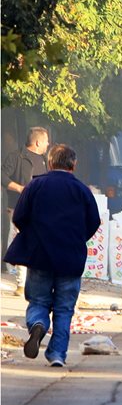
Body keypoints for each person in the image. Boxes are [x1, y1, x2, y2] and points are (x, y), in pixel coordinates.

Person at [3, 144, 100, 367]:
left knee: (38, 300)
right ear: (73, 165)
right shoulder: (82, 190)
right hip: (70, 258)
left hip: (39, 256)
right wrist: (76, 238)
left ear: (49, 163)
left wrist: (34, 235)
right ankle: (57, 355)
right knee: (64, 308)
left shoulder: (35, 185)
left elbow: (19, 216)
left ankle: (37, 324)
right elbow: (93, 221)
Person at [2, 126, 50, 295]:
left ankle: (34, 281)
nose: (48, 144)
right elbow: (2, 176)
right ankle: (22, 283)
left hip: (40, 209)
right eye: (45, 141)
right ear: (37, 142)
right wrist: (20, 188)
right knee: (24, 240)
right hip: (20, 207)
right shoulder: (16, 157)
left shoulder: (46, 160)